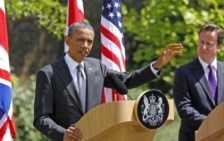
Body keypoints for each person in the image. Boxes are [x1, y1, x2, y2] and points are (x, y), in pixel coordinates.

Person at [33, 21, 183, 141]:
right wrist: (63, 133)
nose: (86, 45)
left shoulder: (96, 67)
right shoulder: (49, 73)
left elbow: (127, 81)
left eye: (89, 41)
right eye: (81, 40)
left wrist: (157, 65)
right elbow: (41, 118)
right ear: (68, 40)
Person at [173, 23, 224, 141]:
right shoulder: (183, 72)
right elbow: (184, 107)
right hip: (194, 136)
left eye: (208, 44)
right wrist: (212, 123)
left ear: (219, 47)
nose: (203, 47)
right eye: (201, 42)